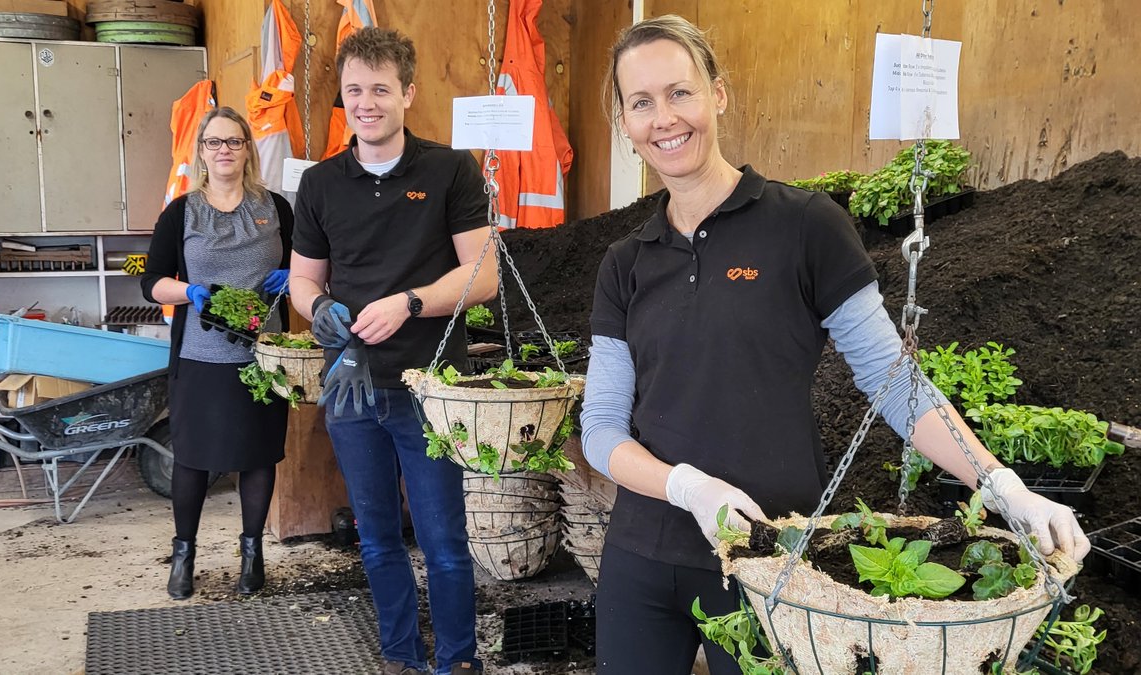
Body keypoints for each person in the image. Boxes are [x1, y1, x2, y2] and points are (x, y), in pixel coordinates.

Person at [579, 15, 1091, 674]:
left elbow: (892, 380)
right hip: (643, 553)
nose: (664, 118)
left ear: (719, 95)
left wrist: (1003, 485)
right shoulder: (625, 263)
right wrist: (688, 487)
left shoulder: (804, 226)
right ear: (625, 122)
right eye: (641, 102)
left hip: (779, 555)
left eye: (680, 92)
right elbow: (600, 429)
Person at [288, 27, 496, 675]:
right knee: (377, 540)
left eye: (380, 89)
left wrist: (409, 302)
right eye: (355, 91)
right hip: (353, 389)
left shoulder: (449, 170)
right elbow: (302, 279)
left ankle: (457, 659)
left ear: (407, 92)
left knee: (444, 542)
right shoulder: (322, 183)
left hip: (430, 389)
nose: (367, 102)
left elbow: (483, 275)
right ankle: (400, 656)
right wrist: (320, 309)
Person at [141, 106, 293, 600]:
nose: (224, 150)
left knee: (258, 456)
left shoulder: (276, 208)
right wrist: (191, 293)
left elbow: (308, 267)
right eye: (214, 142)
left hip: (264, 358)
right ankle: (183, 554)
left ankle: (252, 555)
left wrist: (295, 278)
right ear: (201, 151)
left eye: (233, 141)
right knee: (193, 458)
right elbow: (152, 283)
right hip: (200, 357)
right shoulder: (182, 211)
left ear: (248, 148)